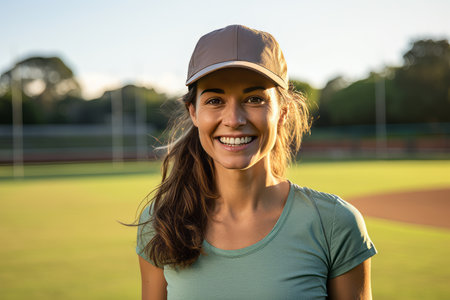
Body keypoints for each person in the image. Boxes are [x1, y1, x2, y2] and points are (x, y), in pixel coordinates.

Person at [136, 24, 377, 300]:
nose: (234, 120)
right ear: (194, 112)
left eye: (254, 99)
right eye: (215, 100)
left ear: (282, 112)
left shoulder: (335, 223)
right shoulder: (161, 221)